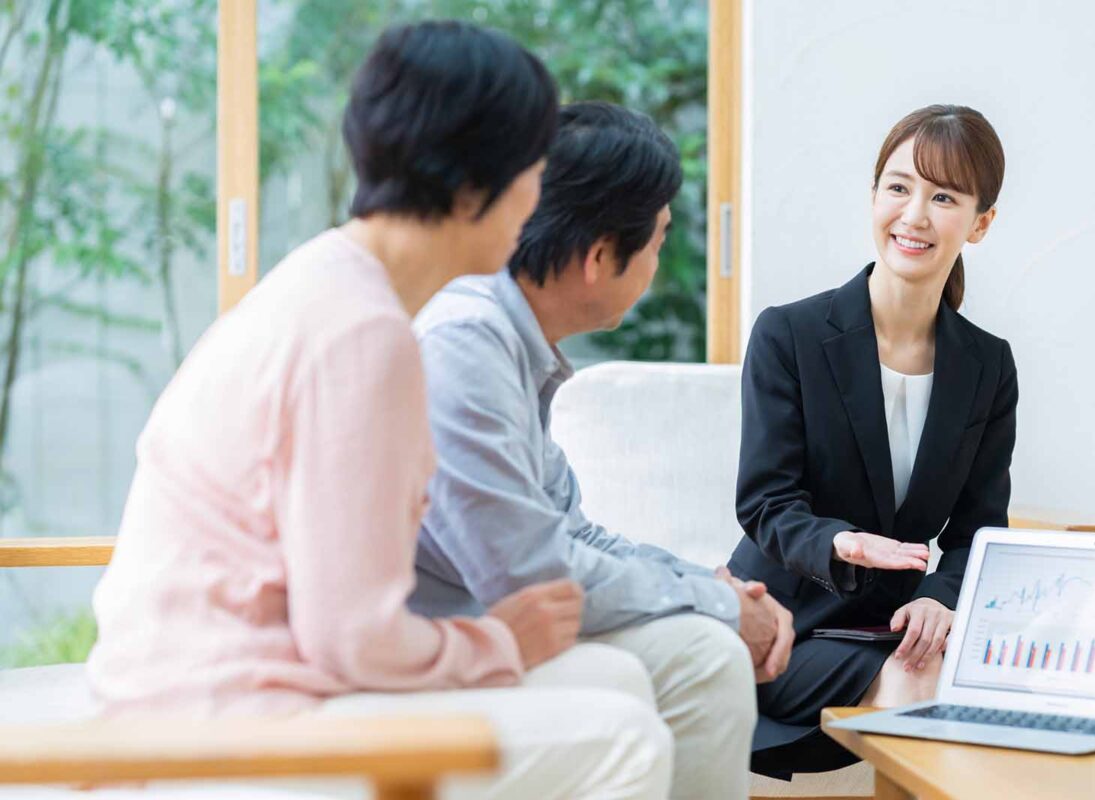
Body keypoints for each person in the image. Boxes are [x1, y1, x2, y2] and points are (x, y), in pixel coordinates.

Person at [86, 22, 672, 800]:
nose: (540, 202)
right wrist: (496, 644)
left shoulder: (335, 285)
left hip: (224, 689)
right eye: (533, 171)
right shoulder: (363, 333)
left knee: (614, 682)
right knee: (625, 740)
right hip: (225, 718)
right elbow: (353, 638)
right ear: (473, 185)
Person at [410, 100, 792, 800]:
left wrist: (711, 587)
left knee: (699, 654)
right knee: (704, 657)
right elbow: (535, 574)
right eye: (657, 241)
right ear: (598, 257)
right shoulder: (465, 346)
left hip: (488, 627)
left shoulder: (510, 344)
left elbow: (573, 532)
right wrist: (719, 605)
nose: (658, 264)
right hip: (433, 647)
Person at [731, 104, 1017, 777]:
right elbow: (766, 503)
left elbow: (979, 529)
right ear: (873, 196)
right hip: (782, 627)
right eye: (898, 187)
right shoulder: (789, 335)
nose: (914, 215)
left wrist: (941, 596)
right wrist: (841, 543)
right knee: (920, 681)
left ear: (980, 223)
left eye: (943, 197)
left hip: (895, 626)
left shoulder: (988, 365)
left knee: (976, 675)